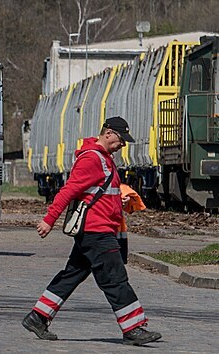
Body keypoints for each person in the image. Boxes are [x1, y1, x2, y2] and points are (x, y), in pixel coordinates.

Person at [22, 116, 162, 346]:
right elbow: (68, 191)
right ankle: (133, 328)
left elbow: (101, 192)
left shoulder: (105, 159)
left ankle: (38, 317)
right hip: (96, 233)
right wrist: (49, 220)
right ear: (108, 134)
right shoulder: (92, 159)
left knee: (71, 275)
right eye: (120, 140)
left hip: (97, 230)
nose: (122, 145)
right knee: (115, 279)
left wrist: (122, 201)